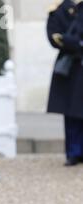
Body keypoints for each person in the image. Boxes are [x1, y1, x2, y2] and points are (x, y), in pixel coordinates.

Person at [46, 0, 83, 166]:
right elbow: (54, 37)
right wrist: (75, 43)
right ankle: (74, 152)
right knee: (72, 113)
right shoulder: (59, 10)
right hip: (71, 67)